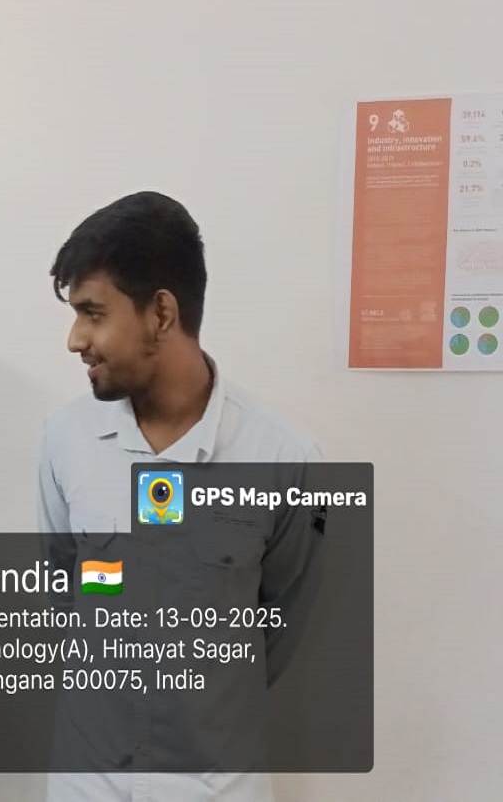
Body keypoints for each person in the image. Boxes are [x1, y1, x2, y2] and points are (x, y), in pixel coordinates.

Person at [37, 191, 325, 802]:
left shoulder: (282, 457)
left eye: (93, 313)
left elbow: (282, 622)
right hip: (89, 781)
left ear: (161, 313)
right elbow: (62, 587)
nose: (74, 339)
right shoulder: (66, 439)